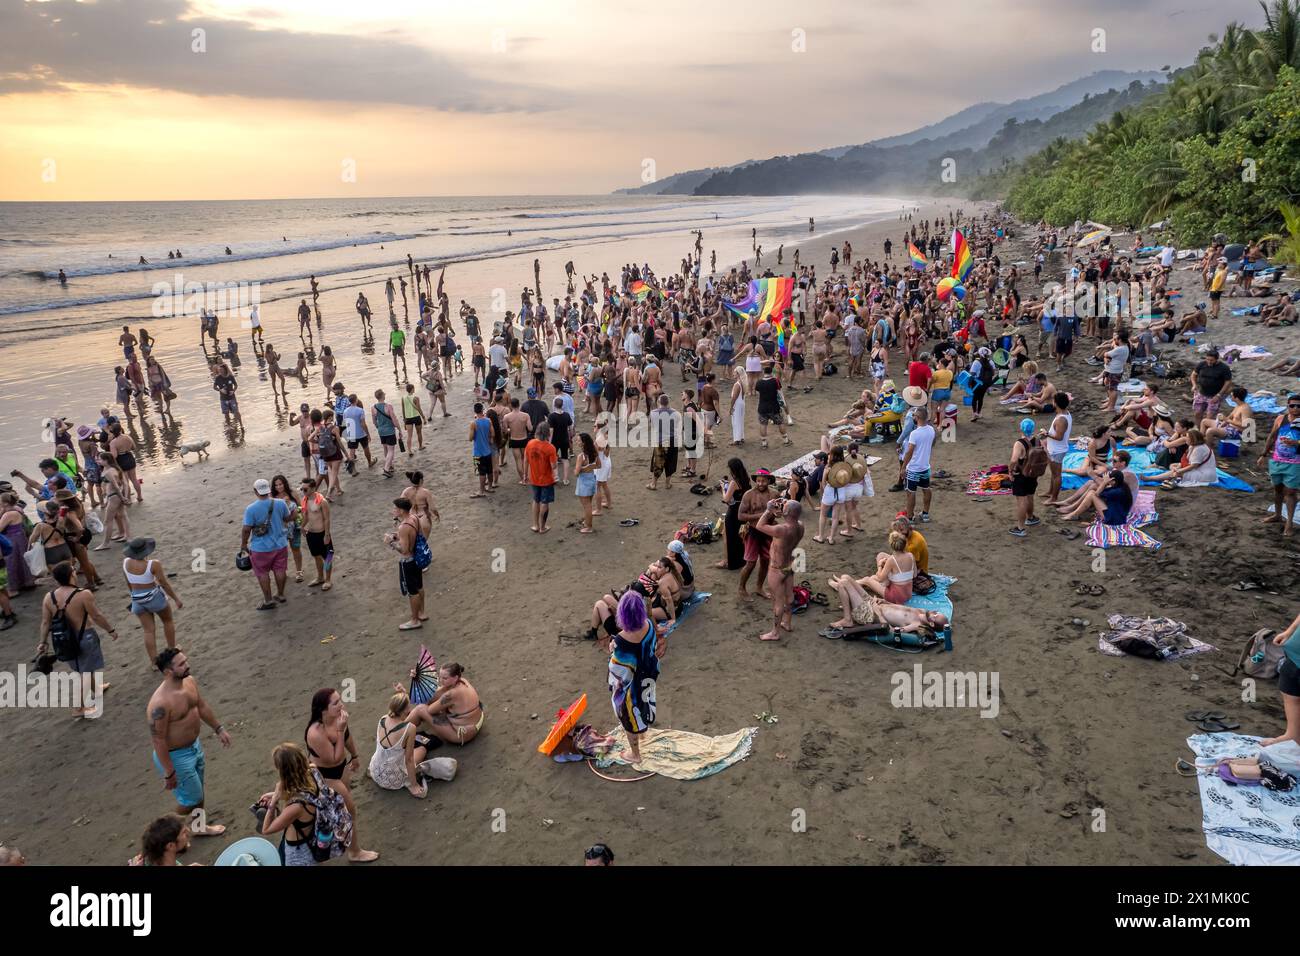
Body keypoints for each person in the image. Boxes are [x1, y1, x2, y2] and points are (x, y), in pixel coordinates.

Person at [147, 648, 231, 836]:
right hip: (175, 756)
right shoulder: (160, 704)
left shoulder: (189, 682)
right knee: (190, 800)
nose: (188, 665)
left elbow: (201, 706)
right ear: (168, 672)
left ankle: (199, 827)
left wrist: (219, 728)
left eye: (186, 661)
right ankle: (159, 834)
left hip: (194, 747)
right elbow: (158, 739)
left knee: (198, 793)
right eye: (182, 664)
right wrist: (169, 772)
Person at [304, 688, 379, 862]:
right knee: (349, 810)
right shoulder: (315, 732)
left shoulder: (338, 718)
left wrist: (354, 755)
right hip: (324, 776)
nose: (341, 705)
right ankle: (354, 852)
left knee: (337, 809)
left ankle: (325, 840)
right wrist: (339, 730)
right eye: (336, 703)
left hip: (341, 768)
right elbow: (332, 759)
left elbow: (346, 737)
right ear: (323, 709)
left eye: (340, 700)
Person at [36, 560, 118, 718]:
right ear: (71, 575)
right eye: (73, 570)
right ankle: (78, 708)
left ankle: (97, 689)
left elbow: (45, 622)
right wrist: (111, 630)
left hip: (63, 640)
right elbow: (96, 615)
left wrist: (42, 642)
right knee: (85, 672)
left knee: (83, 667)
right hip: (84, 636)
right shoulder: (83, 594)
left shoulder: (49, 597)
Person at [257, 743, 339, 865]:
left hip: (299, 851)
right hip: (313, 834)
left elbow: (267, 829)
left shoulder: (296, 807)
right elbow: (306, 793)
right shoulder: (314, 771)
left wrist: (273, 801)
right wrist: (275, 794)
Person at [606, 591, 660, 765]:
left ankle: (635, 754)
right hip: (649, 673)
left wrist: (612, 648)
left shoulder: (622, 639)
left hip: (632, 684)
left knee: (628, 716)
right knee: (645, 702)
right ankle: (642, 730)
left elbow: (617, 669)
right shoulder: (649, 625)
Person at [369, 691, 441, 798]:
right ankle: (410, 781)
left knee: (396, 749)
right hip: (393, 778)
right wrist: (414, 785)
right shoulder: (409, 728)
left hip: (376, 771)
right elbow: (409, 760)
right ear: (404, 710)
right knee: (422, 749)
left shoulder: (382, 719)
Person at [123, 537, 182, 664]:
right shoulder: (153, 564)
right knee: (167, 621)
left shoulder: (126, 562)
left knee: (148, 631)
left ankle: (154, 662)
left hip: (137, 600)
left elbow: (129, 582)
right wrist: (176, 599)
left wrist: (134, 595)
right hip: (154, 598)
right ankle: (172, 652)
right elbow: (164, 583)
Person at [755, 498, 804, 641]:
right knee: (789, 595)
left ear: (787, 512)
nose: (782, 506)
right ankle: (787, 623)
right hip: (790, 564)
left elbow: (759, 525)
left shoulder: (781, 529)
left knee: (778, 601)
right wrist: (782, 511)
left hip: (777, 568)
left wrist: (769, 509)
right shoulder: (800, 526)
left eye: (784, 506)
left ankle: (775, 633)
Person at [406, 663, 484, 746]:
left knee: (420, 709)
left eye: (445, 678)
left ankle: (398, 731)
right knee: (430, 696)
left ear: (455, 678)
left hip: (461, 734)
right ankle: (408, 721)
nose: (441, 680)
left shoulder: (451, 694)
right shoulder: (462, 681)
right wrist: (421, 679)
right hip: (474, 722)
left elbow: (430, 710)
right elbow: (435, 693)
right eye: (440, 677)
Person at [1261, 393, 1300, 537]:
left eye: (1298, 406)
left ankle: (1289, 523)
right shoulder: (1280, 418)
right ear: (1288, 406)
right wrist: (1263, 454)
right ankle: (1277, 515)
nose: (1295, 408)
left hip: (1295, 462)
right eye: (1292, 405)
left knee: (1290, 492)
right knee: (1277, 489)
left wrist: (1297, 443)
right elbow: (1272, 436)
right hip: (1277, 460)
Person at [387, 498, 427, 630]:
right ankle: (422, 612)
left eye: (395, 508)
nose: (393, 510)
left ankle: (414, 620)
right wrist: (398, 537)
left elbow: (404, 550)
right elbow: (417, 535)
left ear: (401, 510)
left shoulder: (403, 526)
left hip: (408, 561)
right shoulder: (414, 518)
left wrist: (391, 543)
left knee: (412, 591)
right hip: (417, 558)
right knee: (419, 586)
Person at [1008, 419, 1045, 537]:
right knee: (1030, 496)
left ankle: (1020, 528)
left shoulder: (1019, 443)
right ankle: (1031, 518)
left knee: (1021, 501)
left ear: (1021, 429)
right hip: (1033, 474)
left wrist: (1010, 471)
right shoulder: (1039, 441)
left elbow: (1014, 460)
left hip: (1021, 474)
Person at [900, 405, 935, 523]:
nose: (913, 416)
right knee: (926, 489)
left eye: (914, 415)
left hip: (914, 468)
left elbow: (909, 452)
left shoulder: (915, 433)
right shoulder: (931, 429)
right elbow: (933, 442)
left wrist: (903, 467)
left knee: (911, 493)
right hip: (925, 467)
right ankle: (925, 514)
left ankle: (910, 518)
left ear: (918, 417)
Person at [716, 458, 750, 570]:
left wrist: (722, 488)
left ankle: (727, 561)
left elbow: (726, 499)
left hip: (733, 511)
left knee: (728, 537)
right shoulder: (747, 479)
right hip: (743, 510)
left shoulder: (734, 482)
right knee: (740, 536)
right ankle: (741, 559)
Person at [1041, 393, 1073, 504]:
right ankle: (1050, 492)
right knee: (1053, 473)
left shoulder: (1061, 419)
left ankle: (1054, 498)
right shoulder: (1064, 413)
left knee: (1056, 475)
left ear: (1056, 403)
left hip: (1057, 450)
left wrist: (1046, 434)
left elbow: (1059, 437)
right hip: (1055, 448)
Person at [1191, 348, 1233, 422]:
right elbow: (1193, 375)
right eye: (1207, 359)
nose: (1209, 362)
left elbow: (1228, 382)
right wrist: (1194, 385)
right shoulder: (1202, 364)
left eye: (1211, 360)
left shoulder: (1224, 368)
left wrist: (1219, 395)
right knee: (1197, 414)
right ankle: (1199, 430)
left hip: (1214, 395)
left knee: (1209, 417)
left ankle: (1205, 432)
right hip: (1201, 393)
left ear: (1217, 359)